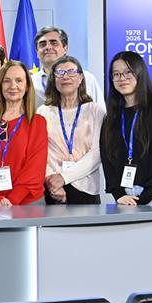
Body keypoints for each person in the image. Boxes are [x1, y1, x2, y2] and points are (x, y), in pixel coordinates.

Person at [100, 51, 152, 209]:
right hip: (125, 198)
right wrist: (118, 193)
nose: (122, 78)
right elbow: (106, 158)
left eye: (128, 72)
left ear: (140, 73)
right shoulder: (111, 117)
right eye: (116, 74)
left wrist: (144, 197)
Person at [0, 60, 48, 207]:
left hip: (27, 204)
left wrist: (12, 201)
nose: (13, 86)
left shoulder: (37, 122)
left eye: (19, 80)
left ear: (27, 87)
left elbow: (35, 169)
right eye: (7, 81)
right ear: (0, 86)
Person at [37, 55, 105, 205]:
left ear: (81, 78)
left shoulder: (96, 111)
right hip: (53, 188)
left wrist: (64, 177)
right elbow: (39, 153)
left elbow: (97, 152)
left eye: (71, 72)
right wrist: (52, 180)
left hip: (86, 187)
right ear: (53, 79)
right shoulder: (42, 112)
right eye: (60, 73)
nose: (65, 76)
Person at [32, 27, 102, 104]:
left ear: (65, 49)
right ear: (37, 52)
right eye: (42, 44)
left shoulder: (87, 78)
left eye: (54, 43)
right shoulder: (30, 82)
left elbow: (101, 113)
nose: (48, 47)